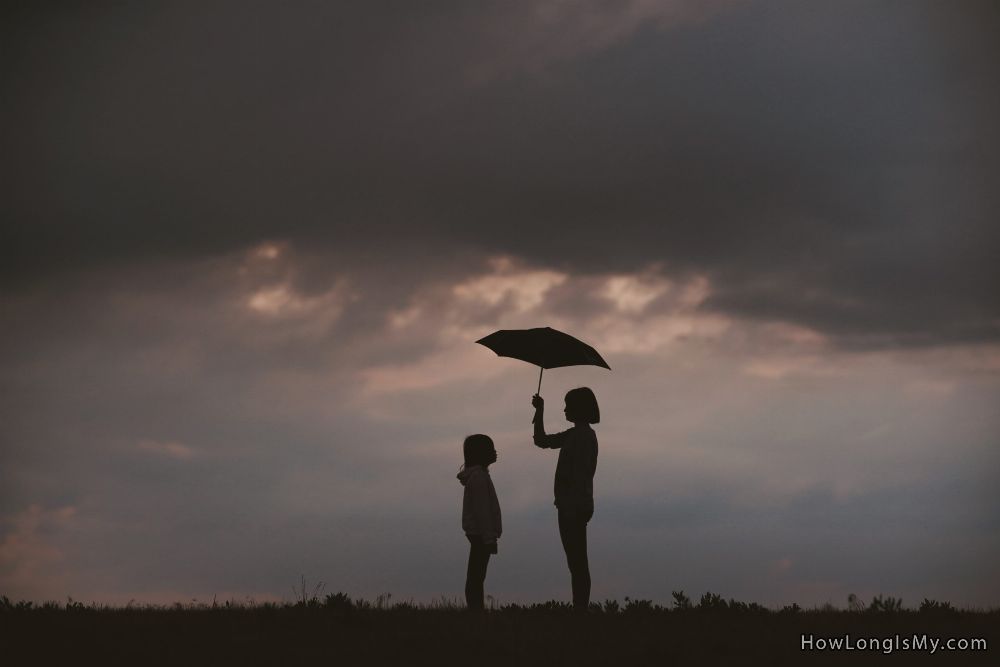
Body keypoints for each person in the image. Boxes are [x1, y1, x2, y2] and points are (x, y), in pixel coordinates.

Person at [531, 387, 599, 611]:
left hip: (574, 506)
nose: (565, 409)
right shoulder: (575, 435)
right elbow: (541, 440)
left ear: (579, 408)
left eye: (568, 405)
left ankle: (580, 609)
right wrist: (539, 411)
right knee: (576, 561)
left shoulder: (583, 437)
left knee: (577, 561)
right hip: (572, 505)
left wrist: (571, 503)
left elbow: (580, 475)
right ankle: (580, 608)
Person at [456, 434, 502, 612]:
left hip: (479, 534)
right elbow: (482, 511)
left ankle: (476, 609)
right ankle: (476, 610)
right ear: (482, 454)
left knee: (476, 575)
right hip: (481, 535)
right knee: (476, 576)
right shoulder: (479, 478)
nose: (495, 452)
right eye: (491, 449)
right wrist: (489, 539)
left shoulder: (479, 477)